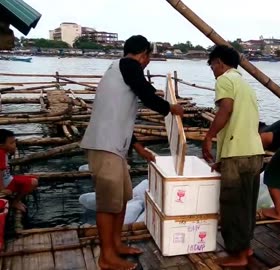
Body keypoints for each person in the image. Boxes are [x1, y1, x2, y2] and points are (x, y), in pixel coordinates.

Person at [80, 35, 183, 270]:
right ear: (143, 54)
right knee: (108, 204)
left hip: (115, 147)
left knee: (123, 198)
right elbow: (147, 94)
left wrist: (138, 147)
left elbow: (117, 116)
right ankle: (106, 257)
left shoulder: (120, 71)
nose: (147, 63)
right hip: (105, 146)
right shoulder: (128, 64)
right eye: (148, 57)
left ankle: (115, 244)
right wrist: (170, 108)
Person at [202, 45, 264, 267]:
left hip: (237, 155)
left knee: (232, 206)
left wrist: (209, 136)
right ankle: (245, 248)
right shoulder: (246, 85)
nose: (212, 70)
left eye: (212, 65)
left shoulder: (225, 80)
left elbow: (225, 110)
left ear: (219, 62)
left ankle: (237, 255)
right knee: (247, 204)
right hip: (254, 152)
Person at [0, 129, 38, 212]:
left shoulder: (4, 151)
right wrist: (2, 189)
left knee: (33, 178)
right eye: (11, 143)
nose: (14, 145)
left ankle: (13, 198)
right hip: (5, 184)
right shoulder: (1, 154)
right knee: (33, 182)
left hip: (7, 180)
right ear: (1, 145)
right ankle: (15, 202)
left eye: (14, 142)